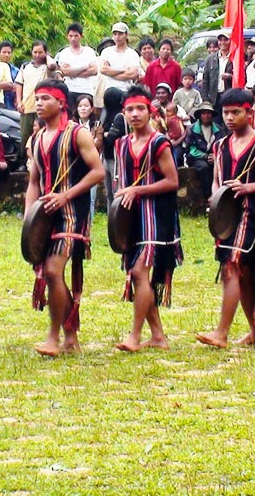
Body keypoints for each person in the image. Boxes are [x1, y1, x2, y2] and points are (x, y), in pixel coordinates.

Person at [23, 80, 104, 356]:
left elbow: (97, 172)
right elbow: (34, 181)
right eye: (38, 98)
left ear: (61, 103)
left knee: (53, 271)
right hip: (45, 217)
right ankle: (70, 338)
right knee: (51, 274)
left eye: (46, 98)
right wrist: (28, 216)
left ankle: (53, 338)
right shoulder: (35, 139)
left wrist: (65, 196)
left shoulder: (77, 134)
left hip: (72, 214)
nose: (40, 103)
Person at [196, 88, 255, 348]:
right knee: (241, 271)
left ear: (249, 112)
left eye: (236, 112)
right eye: (226, 113)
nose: (230, 117)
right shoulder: (221, 144)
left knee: (233, 267)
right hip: (227, 217)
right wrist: (216, 198)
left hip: (253, 213)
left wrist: (248, 188)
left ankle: (221, 333)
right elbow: (216, 180)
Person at [111, 84, 182, 352]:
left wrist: (137, 190)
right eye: (130, 109)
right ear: (123, 113)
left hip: (157, 217)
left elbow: (172, 181)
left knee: (140, 272)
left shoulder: (159, 143)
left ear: (150, 110)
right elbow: (122, 182)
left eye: (140, 108)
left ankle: (135, 336)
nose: (135, 114)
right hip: (132, 220)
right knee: (138, 275)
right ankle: (158, 336)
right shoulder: (121, 144)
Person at [14, 41, 53, 161]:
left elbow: (53, 66)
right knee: (25, 135)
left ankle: (43, 159)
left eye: (40, 52)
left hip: (43, 107)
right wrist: (19, 101)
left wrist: (47, 57)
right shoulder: (25, 66)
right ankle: (24, 161)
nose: (37, 55)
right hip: (27, 106)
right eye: (35, 52)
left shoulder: (47, 67)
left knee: (43, 133)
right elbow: (19, 84)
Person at [54, 23, 98, 114]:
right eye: (70, 36)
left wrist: (72, 71)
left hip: (87, 90)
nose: (73, 39)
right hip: (70, 89)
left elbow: (94, 70)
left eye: (76, 36)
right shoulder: (64, 53)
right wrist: (85, 67)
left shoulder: (89, 52)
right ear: (67, 36)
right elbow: (64, 71)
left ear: (81, 36)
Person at [98, 22, 141, 94]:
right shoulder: (106, 51)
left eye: (120, 34)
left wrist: (111, 73)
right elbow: (103, 69)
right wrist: (123, 70)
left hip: (126, 91)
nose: (117, 37)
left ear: (126, 35)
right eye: (115, 34)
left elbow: (132, 74)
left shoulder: (132, 54)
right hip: (109, 91)